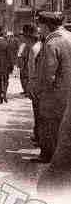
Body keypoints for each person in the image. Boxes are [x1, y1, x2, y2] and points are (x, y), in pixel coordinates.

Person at [33, 11, 71, 163]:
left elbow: (48, 73)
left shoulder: (51, 43)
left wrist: (39, 91)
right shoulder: (69, 37)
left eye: (40, 26)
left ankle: (48, 155)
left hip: (55, 92)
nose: (39, 29)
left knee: (49, 123)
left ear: (47, 25)